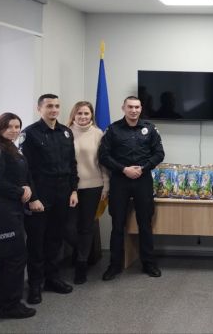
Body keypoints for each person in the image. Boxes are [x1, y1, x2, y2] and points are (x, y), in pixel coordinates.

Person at [20, 94, 79, 305]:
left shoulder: (66, 132)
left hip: (62, 193)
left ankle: (53, 278)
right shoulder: (30, 134)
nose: (54, 109)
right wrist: (33, 198)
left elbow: (72, 164)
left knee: (56, 238)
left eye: (57, 106)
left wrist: (74, 190)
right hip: (40, 193)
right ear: (40, 109)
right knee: (37, 241)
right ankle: (35, 284)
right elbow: (25, 169)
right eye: (49, 106)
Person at [99, 96, 164, 281]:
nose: (134, 110)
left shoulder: (150, 129)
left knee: (145, 224)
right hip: (120, 181)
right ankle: (114, 265)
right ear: (123, 108)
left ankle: (149, 263)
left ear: (141, 108)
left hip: (143, 180)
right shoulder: (113, 129)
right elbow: (103, 155)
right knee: (117, 224)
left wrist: (143, 168)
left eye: (137, 107)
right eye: (130, 107)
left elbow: (159, 153)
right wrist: (124, 169)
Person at [0, 113, 36, 319]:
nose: (14, 130)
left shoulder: (11, 148)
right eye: (9, 126)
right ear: (0, 127)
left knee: (4, 257)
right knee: (15, 257)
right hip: (3, 211)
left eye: (17, 126)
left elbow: (17, 176)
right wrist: (20, 191)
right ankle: (11, 305)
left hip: (12, 208)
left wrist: (26, 187)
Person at [67, 101, 109, 284]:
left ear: (92, 115)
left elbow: (103, 162)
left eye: (86, 113)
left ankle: (81, 265)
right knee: (67, 227)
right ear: (73, 115)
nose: (83, 117)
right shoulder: (65, 132)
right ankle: (83, 251)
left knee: (86, 226)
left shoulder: (98, 133)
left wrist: (106, 185)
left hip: (93, 186)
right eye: (79, 113)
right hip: (69, 188)